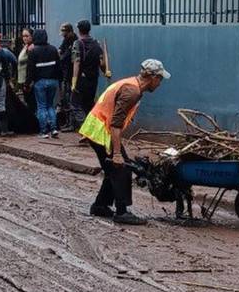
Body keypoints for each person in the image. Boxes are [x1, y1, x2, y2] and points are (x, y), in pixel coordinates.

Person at [79, 59, 170, 225]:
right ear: (152, 77)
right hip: (103, 131)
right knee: (121, 169)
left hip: (97, 128)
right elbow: (115, 123)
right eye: (160, 79)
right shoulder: (132, 92)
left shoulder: (130, 84)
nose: (160, 83)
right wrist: (117, 153)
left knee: (113, 169)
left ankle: (100, 205)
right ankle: (122, 212)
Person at [70, 19, 110, 130]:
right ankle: (92, 130)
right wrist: (105, 71)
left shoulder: (77, 43)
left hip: (81, 79)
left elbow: (76, 62)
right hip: (93, 79)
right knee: (88, 106)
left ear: (79, 30)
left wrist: (74, 81)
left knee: (75, 105)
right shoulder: (96, 43)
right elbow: (101, 62)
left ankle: (86, 129)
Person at [26, 29, 60, 139]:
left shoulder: (33, 51)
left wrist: (27, 83)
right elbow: (58, 66)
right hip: (53, 81)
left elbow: (30, 70)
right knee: (50, 105)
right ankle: (54, 129)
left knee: (41, 107)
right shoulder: (53, 49)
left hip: (40, 82)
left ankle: (43, 131)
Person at [58, 22, 77, 131]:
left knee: (70, 99)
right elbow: (61, 50)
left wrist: (60, 56)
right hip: (66, 74)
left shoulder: (74, 41)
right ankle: (68, 122)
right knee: (66, 99)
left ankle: (72, 124)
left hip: (71, 74)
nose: (63, 34)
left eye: (64, 31)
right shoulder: (66, 40)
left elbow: (66, 56)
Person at [16, 28, 33, 96]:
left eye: (27, 36)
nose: (24, 38)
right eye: (23, 36)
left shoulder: (31, 48)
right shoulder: (25, 46)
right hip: (22, 79)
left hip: (27, 80)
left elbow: (31, 65)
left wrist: (28, 82)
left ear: (32, 36)